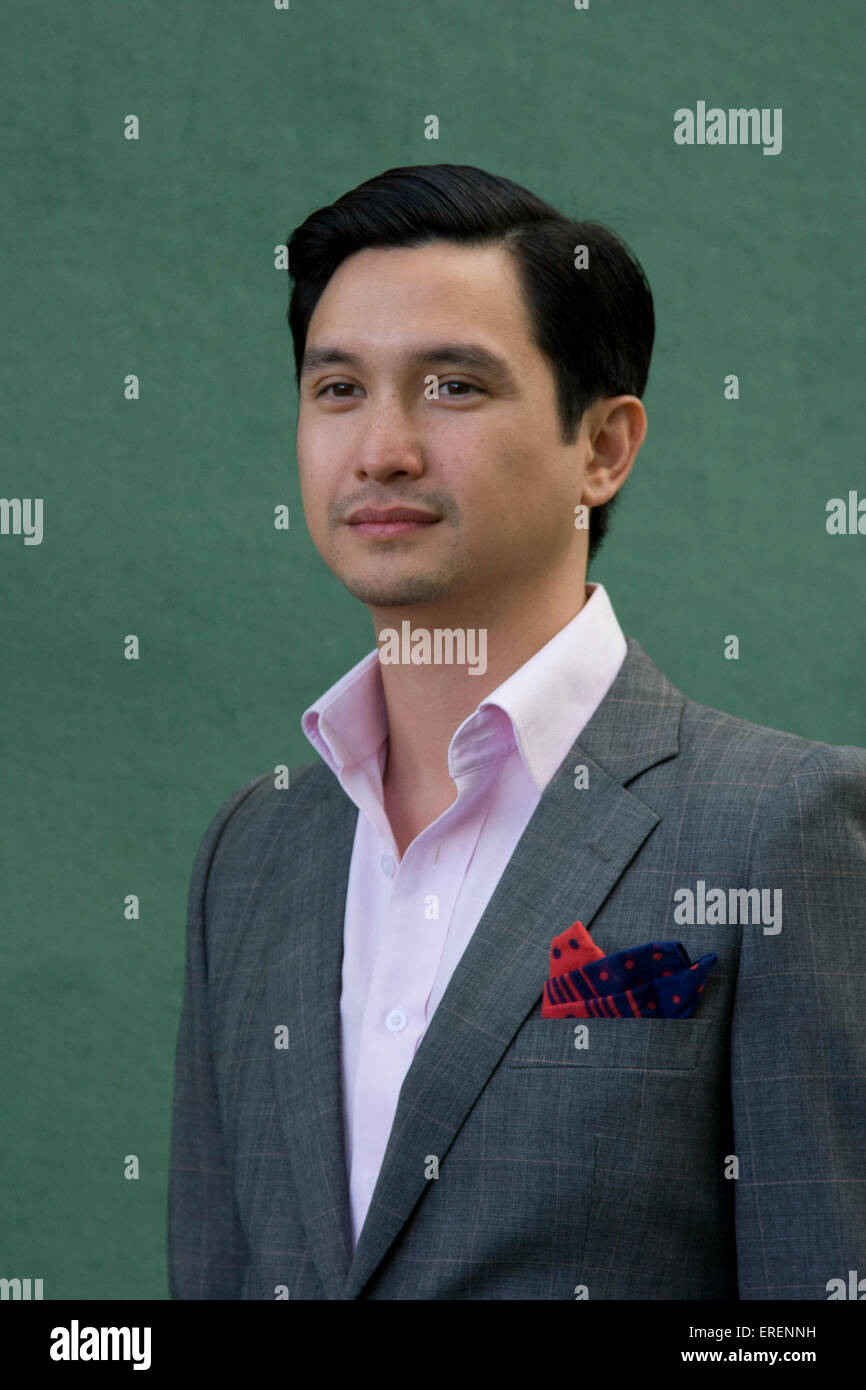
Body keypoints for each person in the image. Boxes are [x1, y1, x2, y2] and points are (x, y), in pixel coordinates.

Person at [168, 164, 865, 1300]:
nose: (381, 448)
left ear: (602, 448)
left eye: (450, 386)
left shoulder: (779, 826)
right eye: (336, 388)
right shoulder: (250, 851)